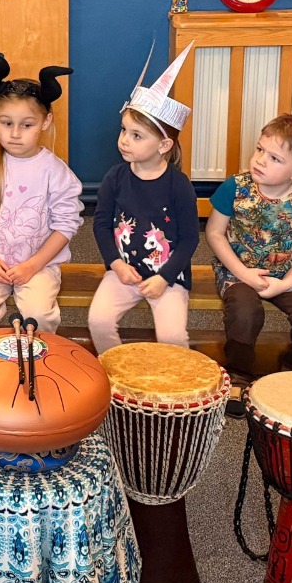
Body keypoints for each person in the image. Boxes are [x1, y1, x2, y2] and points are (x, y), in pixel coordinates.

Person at [205, 114, 292, 417]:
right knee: (244, 312)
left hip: (287, 274)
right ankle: (238, 375)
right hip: (237, 270)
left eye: (275, 158)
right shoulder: (235, 188)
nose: (260, 160)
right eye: (260, 149)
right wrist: (243, 273)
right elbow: (214, 233)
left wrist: (286, 283)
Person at [0, 51, 82, 334]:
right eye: (6, 123)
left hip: (40, 265)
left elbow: (66, 225)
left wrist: (33, 265)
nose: (15, 133)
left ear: (45, 122)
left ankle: (38, 358)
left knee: (40, 317)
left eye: (27, 125)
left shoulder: (56, 172)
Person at [88, 43, 200, 354]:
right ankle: (115, 371)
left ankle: (174, 380)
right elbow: (101, 224)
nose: (124, 140)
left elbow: (190, 239)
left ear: (164, 145)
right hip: (123, 270)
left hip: (168, 275)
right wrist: (115, 264)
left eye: (136, 135)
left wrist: (165, 277)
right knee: (98, 320)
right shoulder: (115, 177)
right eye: (124, 130)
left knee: (172, 337)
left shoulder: (179, 186)